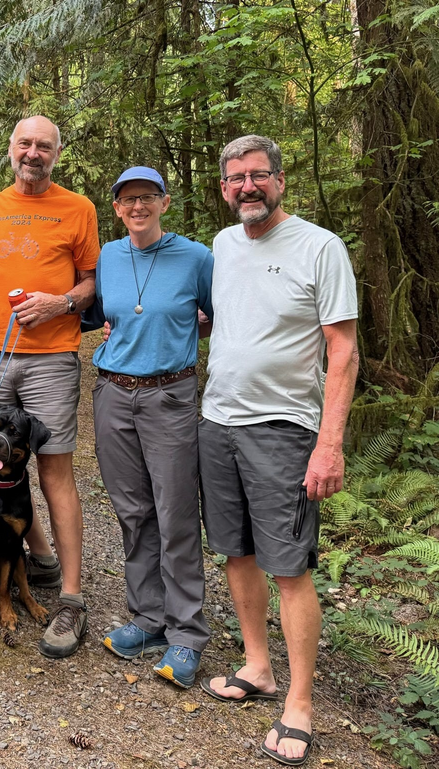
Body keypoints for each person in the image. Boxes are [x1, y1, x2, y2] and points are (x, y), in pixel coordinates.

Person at [198, 135, 358, 767]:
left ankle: (299, 703)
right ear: (223, 188)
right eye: (236, 178)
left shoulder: (320, 247)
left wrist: (329, 445)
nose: (248, 187)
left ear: (280, 180)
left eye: (258, 175)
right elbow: (230, 319)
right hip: (217, 420)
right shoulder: (223, 244)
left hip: (284, 429)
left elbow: (342, 351)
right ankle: (258, 667)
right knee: (236, 552)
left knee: (289, 568)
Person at [0, 116, 98, 658]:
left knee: (54, 468)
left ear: (57, 153)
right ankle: (39, 557)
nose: (33, 153)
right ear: (10, 149)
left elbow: (92, 281)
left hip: (53, 358)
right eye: (25, 144)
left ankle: (71, 597)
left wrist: (62, 302)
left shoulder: (78, 208)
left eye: (44, 146)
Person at [91, 167, 213, 688]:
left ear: (164, 201)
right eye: (127, 200)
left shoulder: (197, 257)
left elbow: (218, 316)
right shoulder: (109, 256)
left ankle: (187, 633)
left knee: (176, 513)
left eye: (146, 197)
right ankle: (148, 618)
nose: (137, 206)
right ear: (117, 208)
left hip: (170, 395)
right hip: (113, 393)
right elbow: (109, 315)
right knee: (133, 511)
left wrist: (188, 330)